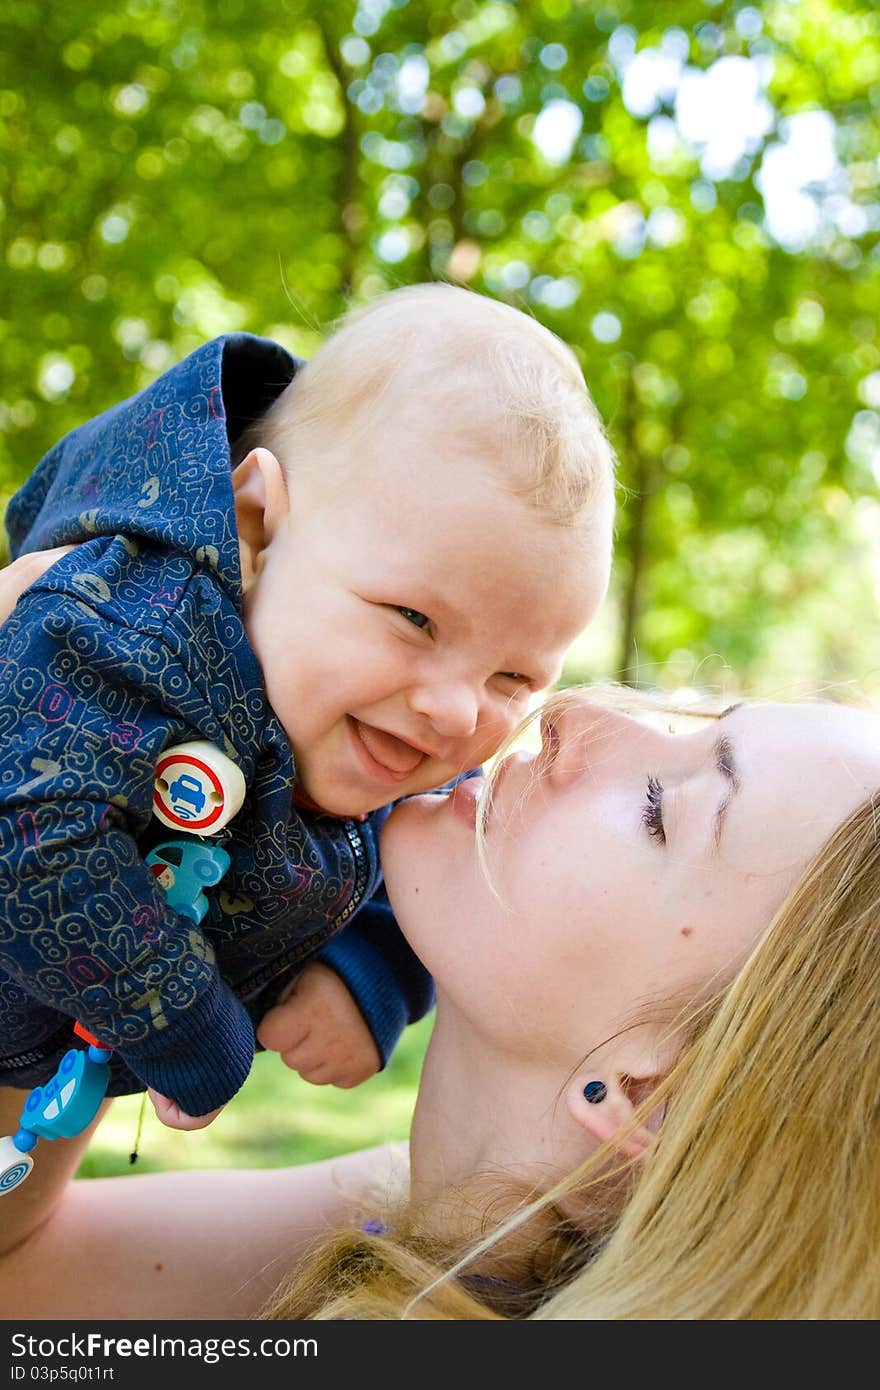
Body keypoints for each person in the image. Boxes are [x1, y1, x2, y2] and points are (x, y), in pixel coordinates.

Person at [1, 683, 878, 1320]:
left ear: (649, 1096)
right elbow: (22, 1275)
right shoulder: (399, 1214)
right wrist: (98, 894)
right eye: (696, 725)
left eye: (661, 808)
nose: (574, 713)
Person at [0, 281, 615, 1166]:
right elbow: (30, 837)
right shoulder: (137, 628)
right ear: (257, 524)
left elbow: (435, 864)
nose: (454, 708)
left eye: (513, 675)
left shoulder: (401, 734)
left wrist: (369, 979)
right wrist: (185, 1022)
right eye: (414, 619)